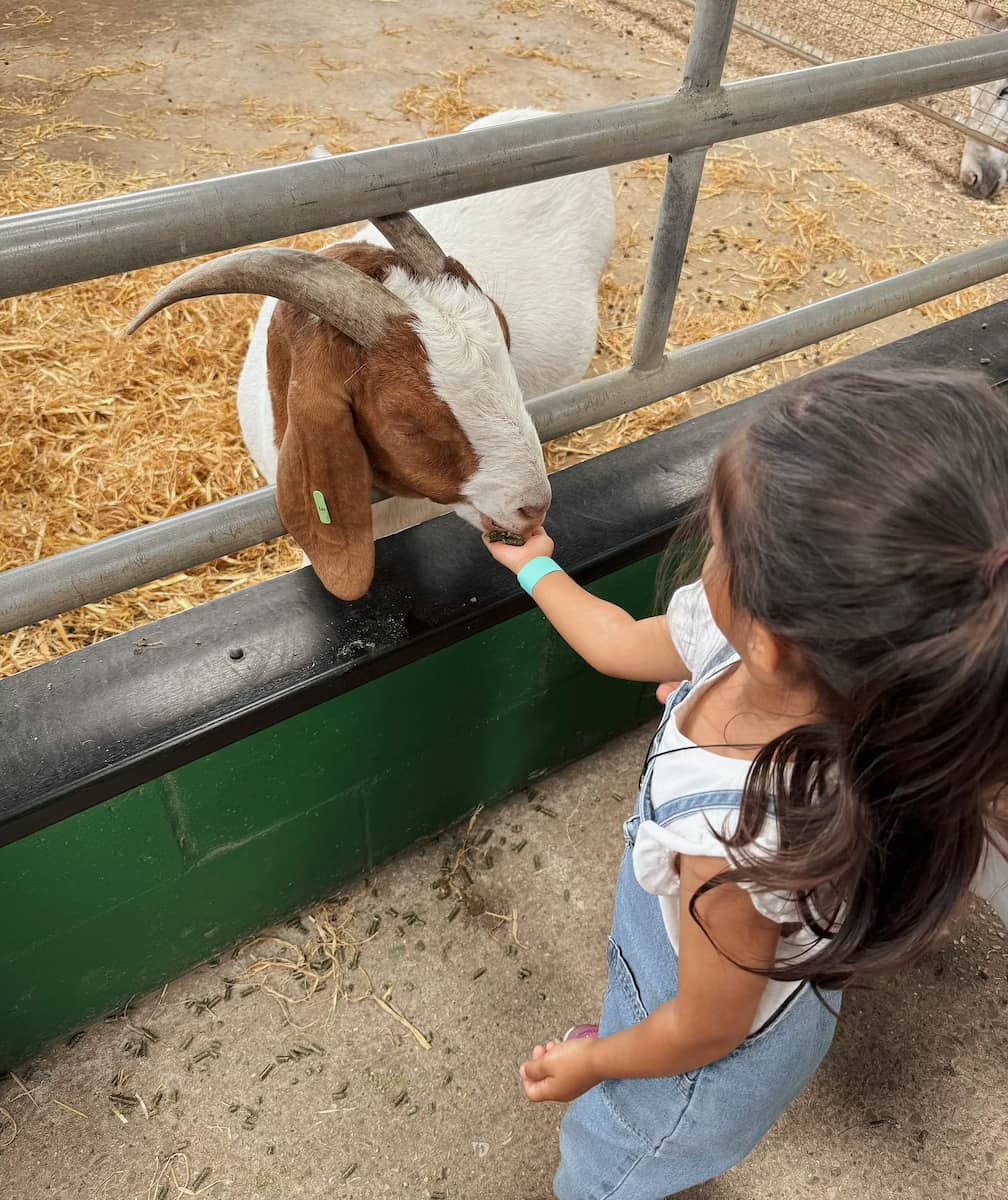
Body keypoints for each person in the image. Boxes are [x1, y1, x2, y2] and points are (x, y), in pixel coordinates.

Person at [483, 367, 1008, 1200]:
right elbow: (618, 643)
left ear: (771, 642)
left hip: (697, 1071)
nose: (708, 559)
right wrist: (535, 568)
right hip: (756, 974)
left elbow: (705, 1027)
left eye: (721, 547)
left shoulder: (732, 837)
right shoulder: (897, 700)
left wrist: (596, 1061)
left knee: (609, 1165)